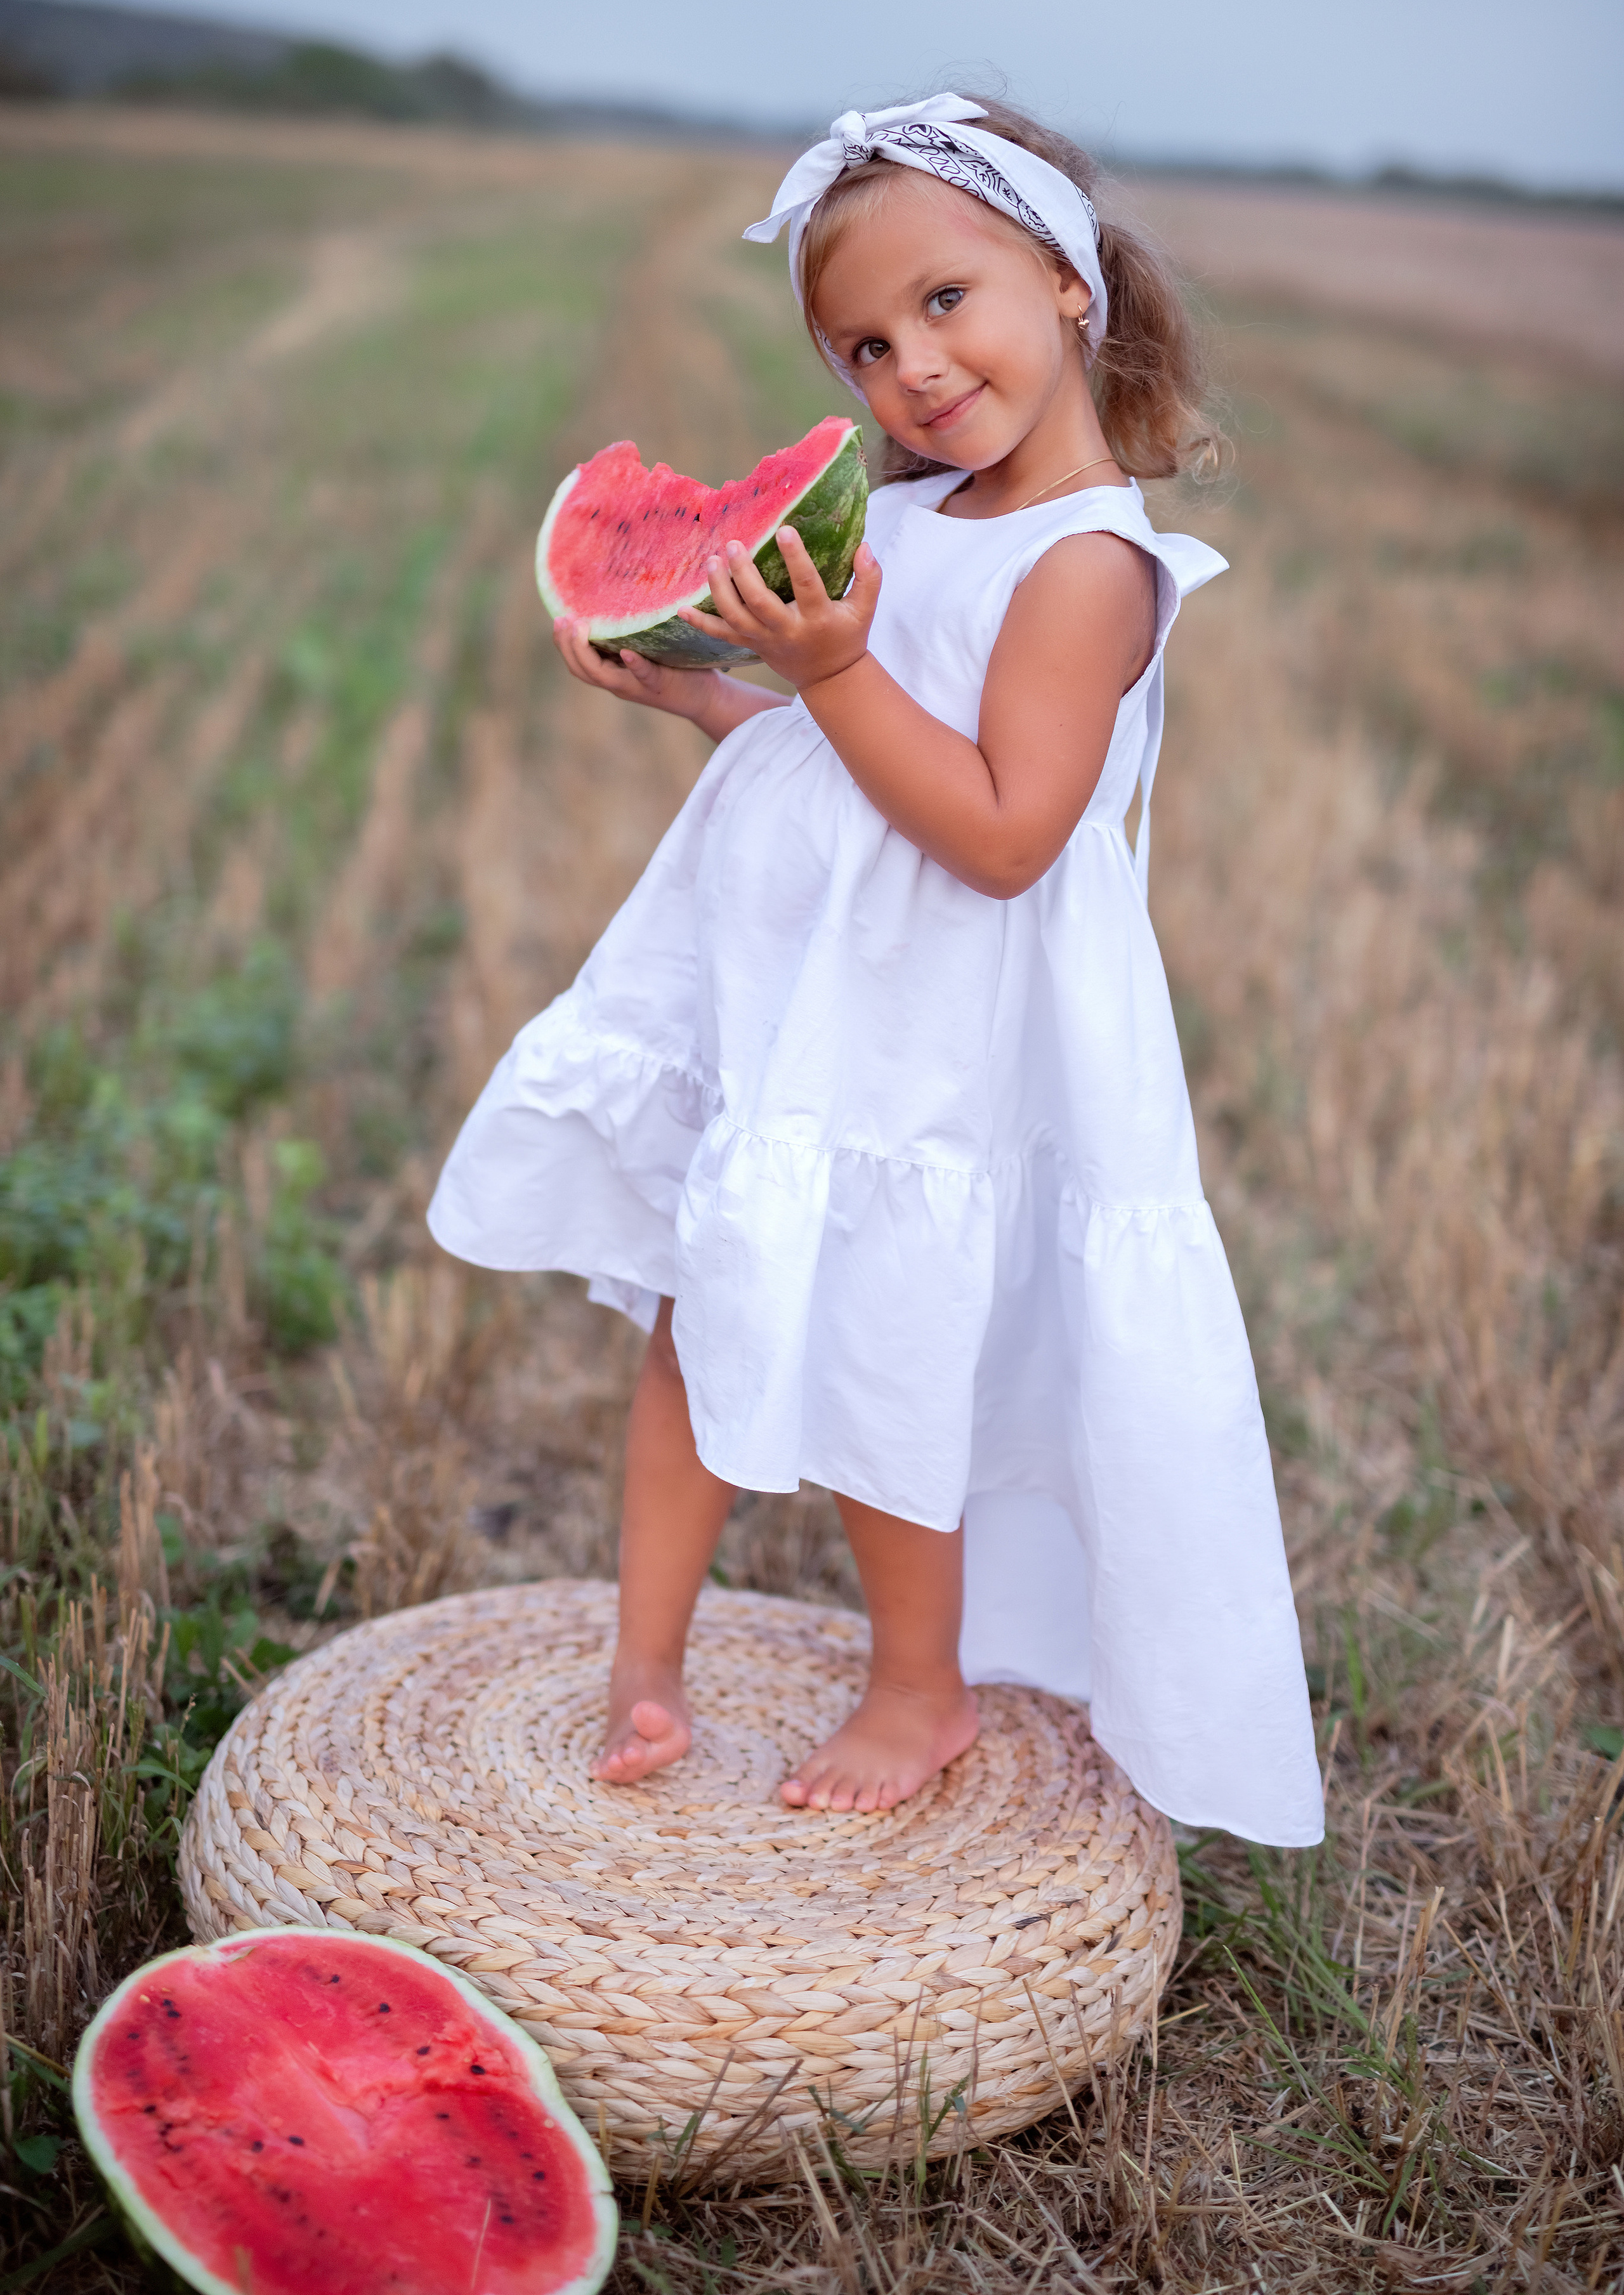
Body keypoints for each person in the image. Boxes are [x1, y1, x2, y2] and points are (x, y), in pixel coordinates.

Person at [429, 93, 1325, 1848]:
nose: (905, 365)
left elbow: (1000, 832)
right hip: (797, 1000)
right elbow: (848, 757)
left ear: (1069, 283)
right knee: (698, 1303)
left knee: (894, 1348)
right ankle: (645, 1664)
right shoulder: (911, 513)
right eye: (860, 339)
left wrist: (835, 675)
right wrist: (711, 691)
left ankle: (925, 1683)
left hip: (932, 1034)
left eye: (945, 302)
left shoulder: (1088, 566)